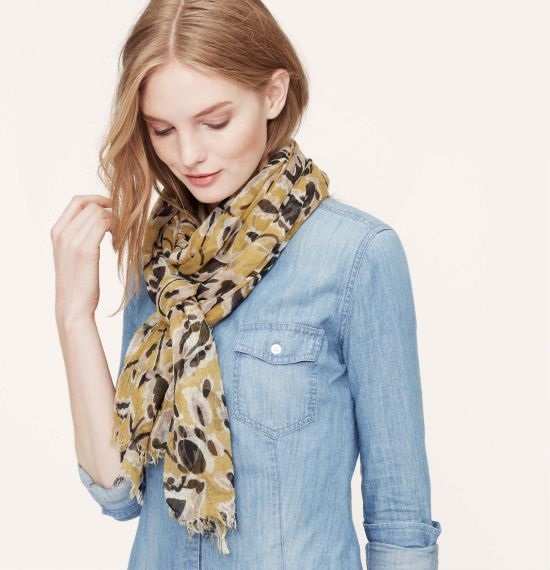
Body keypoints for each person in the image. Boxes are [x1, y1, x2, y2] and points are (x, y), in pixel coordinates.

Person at [51, 1, 442, 568]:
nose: (189, 154)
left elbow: (401, 521)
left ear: (273, 94)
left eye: (215, 122)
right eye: (163, 129)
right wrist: (73, 315)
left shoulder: (356, 256)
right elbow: (117, 491)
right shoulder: (160, 262)